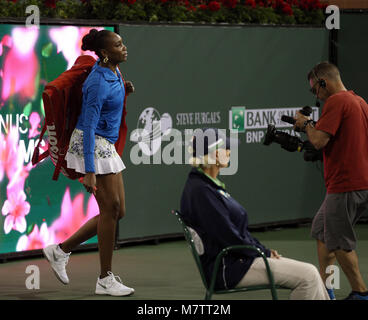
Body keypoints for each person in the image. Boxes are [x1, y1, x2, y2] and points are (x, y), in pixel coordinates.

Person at [180, 128, 330, 300]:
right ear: (214, 155)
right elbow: (228, 235)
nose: (229, 152)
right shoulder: (201, 192)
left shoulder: (207, 186)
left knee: (312, 274)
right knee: (309, 276)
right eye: (225, 148)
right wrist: (261, 251)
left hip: (238, 260)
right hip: (229, 268)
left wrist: (262, 249)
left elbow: (234, 233)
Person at [43, 29, 135, 297]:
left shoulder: (114, 71)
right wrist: (90, 171)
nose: (124, 47)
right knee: (111, 209)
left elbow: (109, 100)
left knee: (118, 212)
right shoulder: (97, 81)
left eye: (122, 42)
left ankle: (60, 250)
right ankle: (105, 279)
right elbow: (88, 123)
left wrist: (124, 89)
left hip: (104, 143)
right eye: (118, 44)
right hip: (91, 144)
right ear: (105, 53)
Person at [294, 61, 368, 300]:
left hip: (345, 185)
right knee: (322, 232)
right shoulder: (359, 102)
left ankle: (360, 293)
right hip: (357, 183)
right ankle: (327, 290)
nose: (316, 95)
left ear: (323, 83)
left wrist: (305, 124)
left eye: (314, 89)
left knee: (339, 242)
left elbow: (318, 141)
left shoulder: (336, 101)